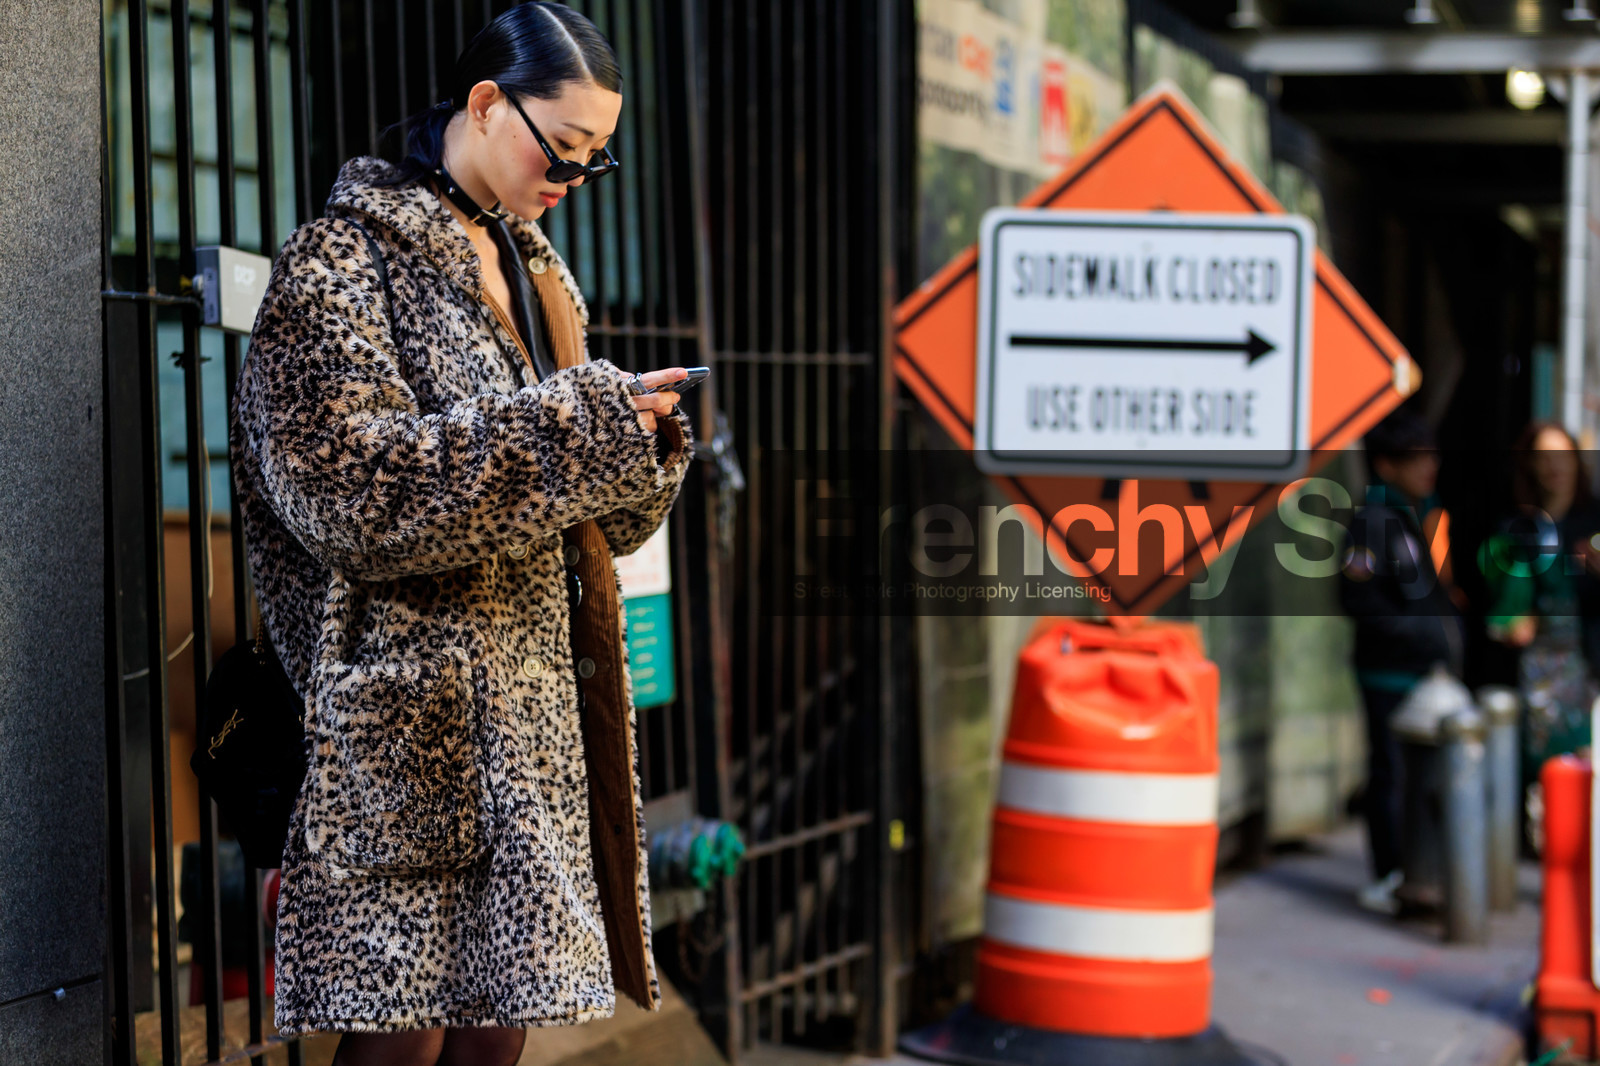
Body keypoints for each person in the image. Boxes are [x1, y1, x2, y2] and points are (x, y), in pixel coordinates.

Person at [229, 6, 692, 1064]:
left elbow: (587, 513)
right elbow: (352, 497)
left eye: (598, 159)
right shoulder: (335, 265)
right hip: (407, 723)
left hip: (529, 722)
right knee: (401, 1045)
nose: (576, 178)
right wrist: (576, 430)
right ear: (486, 103)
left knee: (493, 1044)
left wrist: (641, 443)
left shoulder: (537, 272)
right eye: (563, 148)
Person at [1339, 409, 1464, 916]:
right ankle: (1391, 873)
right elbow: (1358, 600)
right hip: (1389, 673)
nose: (1428, 467)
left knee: (1419, 777)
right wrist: (1418, 636)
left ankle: (1417, 872)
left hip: (1424, 675)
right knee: (1390, 773)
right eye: (1416, 458)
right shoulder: (1372, 522)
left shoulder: (1416, 518)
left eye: (1431, 456)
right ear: (1387, 465)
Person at [1481, 422, 1600, 846]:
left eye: (1562, 455)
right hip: (1533, 672)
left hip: (1588, 669)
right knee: (1541, 775)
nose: (1554, 466)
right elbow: (1497, 593)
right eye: (1544, 456)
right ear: (1530, 465)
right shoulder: (1517, 528)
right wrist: (1513, 616)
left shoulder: (1594, 520)